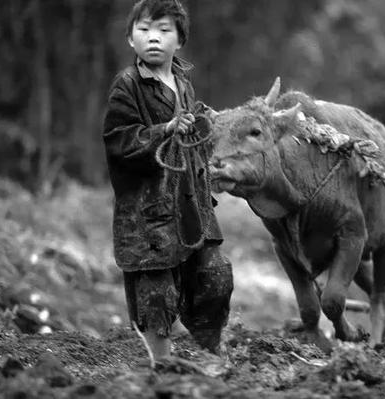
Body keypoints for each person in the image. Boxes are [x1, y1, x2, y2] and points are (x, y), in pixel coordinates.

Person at [102, 0, 233, 357]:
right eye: (143, 30)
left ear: (180, 39)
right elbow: (119, 141)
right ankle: (163, 367)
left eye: (164, 30)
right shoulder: (126, 86)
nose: (153, 38)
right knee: (156, 293)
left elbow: (193, 136)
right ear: (131, 39)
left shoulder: (183, 83)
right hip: (149, 209)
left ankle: (210, 355)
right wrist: (166, 129)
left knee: (215, 278)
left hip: (192, 201)